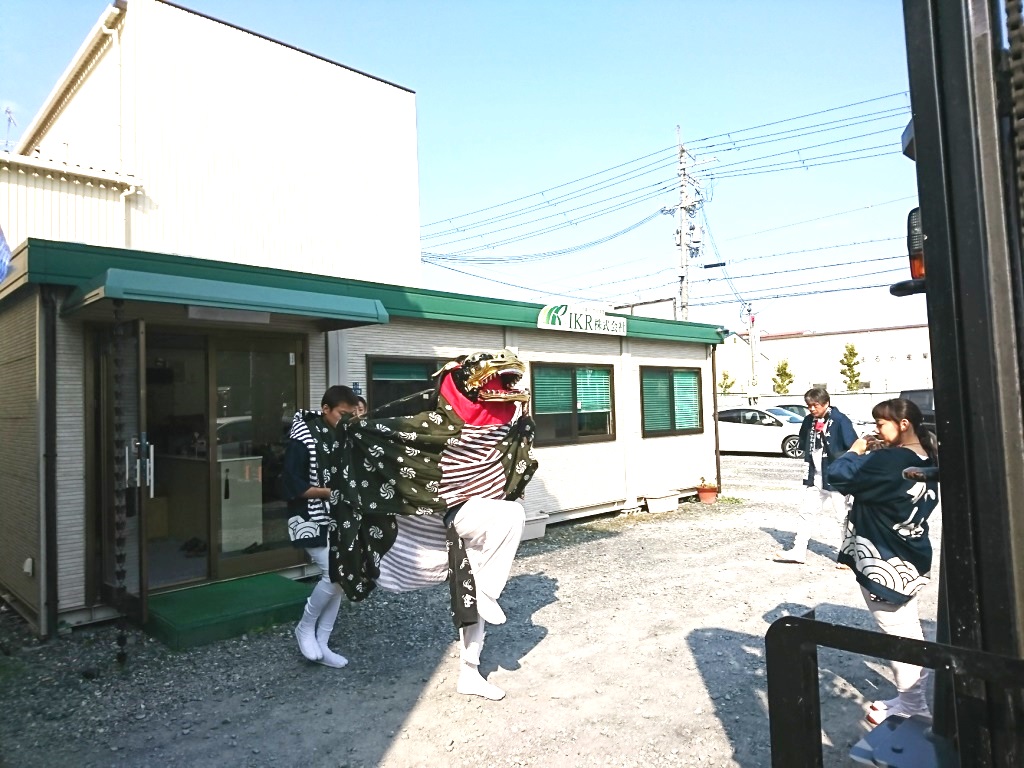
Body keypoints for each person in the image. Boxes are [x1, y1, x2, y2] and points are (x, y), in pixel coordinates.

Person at [828, 398, 939, 725]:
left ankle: (913, 704)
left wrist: (857, 448)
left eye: (881, 424)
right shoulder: (927, 458)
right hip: (910, 556)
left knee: (897, 635)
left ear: (903, 424)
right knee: (909, 627)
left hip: (884, 561)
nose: (876, 429)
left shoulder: (890, 459)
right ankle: (914, 693)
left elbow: (838, 474)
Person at [280, 385, 362, 668]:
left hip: (336, 516)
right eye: (342, 414)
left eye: (350, 415)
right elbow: (292, 486)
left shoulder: (338, 433)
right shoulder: (302, 440)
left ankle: (323, 643)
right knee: (333, 573)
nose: (346, 420)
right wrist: (331, 492)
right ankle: (305, 628)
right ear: (325, 409)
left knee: (339, 578)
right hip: (309, 517)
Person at [775, 387, 859, 564]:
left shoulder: (840, 420)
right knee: (806, 512)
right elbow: (803, 442)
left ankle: (848, 556)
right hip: (815, 475)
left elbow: (853, 446)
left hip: (837, 477)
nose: (812, 409)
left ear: (826, 403)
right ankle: (799, 551)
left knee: (842, 516)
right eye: (809, 406)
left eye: (816, 405)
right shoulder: (808, 420)